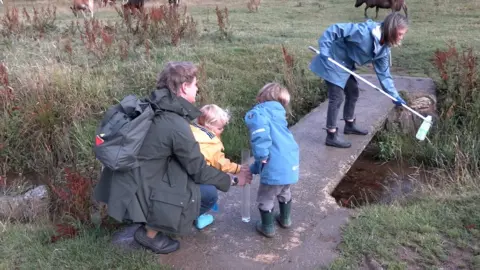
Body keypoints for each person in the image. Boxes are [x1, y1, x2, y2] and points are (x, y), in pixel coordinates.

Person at [94, 61, 252, 254]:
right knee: (208, 193)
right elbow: (199, 171)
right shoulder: (175, 123)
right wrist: (235, 179)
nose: (197, 89)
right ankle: (150, 233)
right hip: (140, 187)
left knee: (183, 174)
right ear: (185, 87)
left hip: (130, 181)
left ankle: (154, 217)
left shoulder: (154, 105)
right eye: (195, 85)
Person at [309, 12, 409, 148]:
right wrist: (325, 49)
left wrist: (394, 96)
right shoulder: (362, 33)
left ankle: (349, 124)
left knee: (353, 91)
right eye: (400, 34)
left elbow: (384, 75)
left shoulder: (384, 49)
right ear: (390, 30)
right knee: (337, 97)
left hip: (346, 64)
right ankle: (331, 135)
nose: (401, 38)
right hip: (332, 60)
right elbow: (335, 29)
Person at [244, 82, 300, 238]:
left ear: (260, 98)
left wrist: (261, 157)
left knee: (266, 197)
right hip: (290, 162)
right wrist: (255, 167)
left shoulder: (259, 114)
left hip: (274, 165)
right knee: (284, 190)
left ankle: (267, 227)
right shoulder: (279, 115)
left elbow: (260, 135)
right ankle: (285, 219)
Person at [190, 104, 242, 229]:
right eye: (219, 128)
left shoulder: (191, 130)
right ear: (209, 127)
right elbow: (221, 163)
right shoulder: (210, 143)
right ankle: (195, 216)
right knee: (210, 195)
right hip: (198, 178)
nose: (222, 131)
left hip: (187, 174)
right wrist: (238, 168)